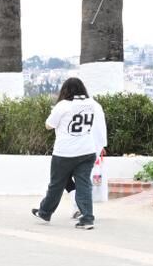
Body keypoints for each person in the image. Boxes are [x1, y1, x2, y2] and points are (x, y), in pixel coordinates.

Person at [34, 76, 108, 230]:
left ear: (66, 90)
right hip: (87, 151)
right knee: (84, 185)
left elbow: (48, 125)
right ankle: (87, 218)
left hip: (64, 152)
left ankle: (45, 212)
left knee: (56, 184)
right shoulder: (92, 104)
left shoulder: (63, 106)